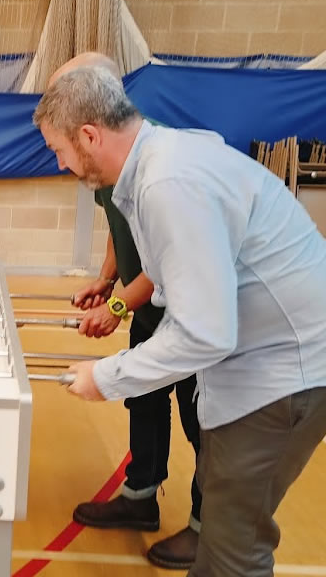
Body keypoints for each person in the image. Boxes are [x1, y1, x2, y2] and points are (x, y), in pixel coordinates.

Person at [34, 57, 326, 576]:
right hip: (266, 364)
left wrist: (105, 377)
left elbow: (204, 332)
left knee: (233, 549)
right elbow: (172, 281)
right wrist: (117, 303)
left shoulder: (166, 182)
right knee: (225, 535)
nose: (61, 164)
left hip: (284, 376)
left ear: (88, 134)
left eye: (59, 150)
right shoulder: (158, 162)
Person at [51, 54, 201, 569]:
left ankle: (210, 525)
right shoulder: (106, 162)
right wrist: (106, 278)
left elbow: (163, 261)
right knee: (144, 396)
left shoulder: (154, 163)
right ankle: (139, 496)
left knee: (202, 417)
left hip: (189, 308)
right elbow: (121, 227)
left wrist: (116, 305)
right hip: (149, 302)